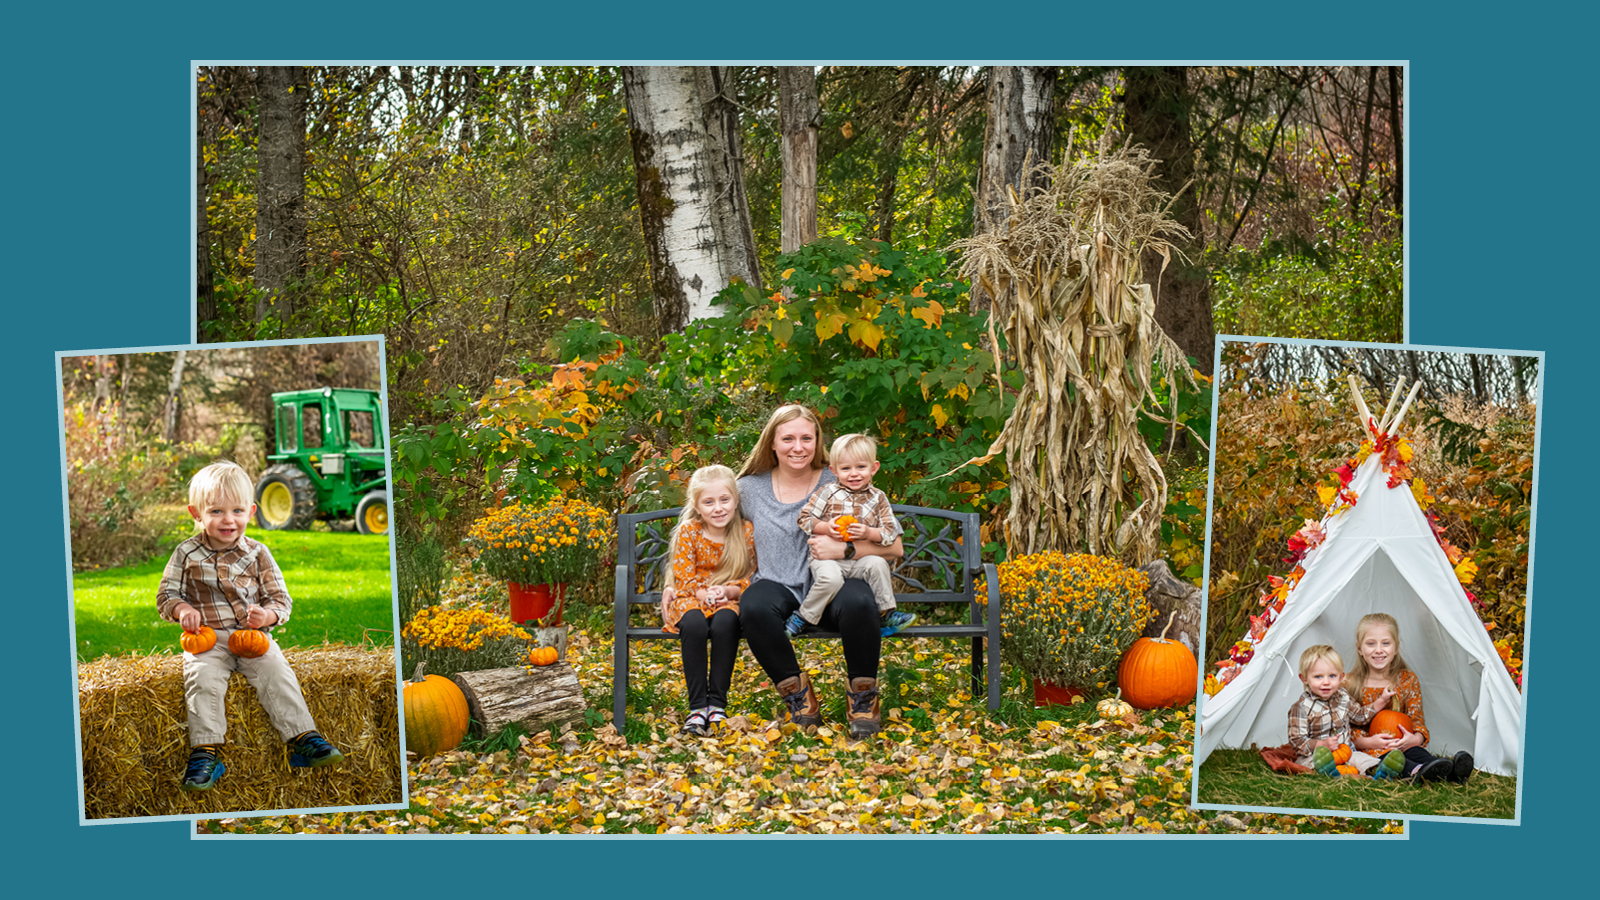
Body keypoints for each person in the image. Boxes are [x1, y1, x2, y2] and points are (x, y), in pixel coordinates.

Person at [156, 462, 343, 791]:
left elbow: (280, 599)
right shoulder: (185, 553)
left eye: (237, 510)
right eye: (216, 511)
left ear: (251, 511)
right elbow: (166, 595)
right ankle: (206, 752)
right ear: (196, 513)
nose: (228, 520)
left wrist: (267, 617)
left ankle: (303, 737)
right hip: (207, 640)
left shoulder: (258, 553)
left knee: (275, 668)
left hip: (252, 637)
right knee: (202, 679)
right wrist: (182, 609)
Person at [661, 465, 756, 736]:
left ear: (736, 501)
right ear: (697, 506)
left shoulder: (745, 532)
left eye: (725, 500)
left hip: (727, 598)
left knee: (727, 621)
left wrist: (729, 591)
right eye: (709, 502)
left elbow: (751, 576)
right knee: (694, 624)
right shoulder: (690, 531)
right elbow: (683, 576)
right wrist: (704, 594)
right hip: (689, 597)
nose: (718, 508)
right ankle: (697, 707)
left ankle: (717, 704)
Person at [790, 433, 914, 639]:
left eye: (861, 467)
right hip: (829, 559)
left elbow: (890, 532)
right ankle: (803, 616)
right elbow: (804, 517)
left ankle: (887, 614)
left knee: (878, 564)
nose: (853, 474)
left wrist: (868, 532)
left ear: (874, 468)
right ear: (834, 471)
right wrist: (824, 527)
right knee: (830, 579)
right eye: (846, 468)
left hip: (861, 561)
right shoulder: (827, 492)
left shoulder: (878, 498)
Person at [1347, 613, 1474, 783]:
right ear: (1360, 649)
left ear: (1396, 647)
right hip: (1371, 751)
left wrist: (1415, 738)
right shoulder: (1350, 683)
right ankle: (1418, 772)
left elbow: (1417, 721)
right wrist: (1369, 742)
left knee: (1418, 753)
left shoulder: (1407, 680)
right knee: (1395, 761)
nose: (1378, 650)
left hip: (1403, 744)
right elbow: (1346, 727)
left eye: (1386, 643)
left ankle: (1450, 770)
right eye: (1371, 644)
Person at [1287, 644, 1406, 779]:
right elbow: (1297, 740)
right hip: (1316, 756)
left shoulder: (1343, 698)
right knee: (1315, 765)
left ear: (1341, 677)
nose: (1326, 682)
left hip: (1346, 752)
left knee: (1363, 760)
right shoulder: (1301, 708)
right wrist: (1321, 744)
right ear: (1304, 678)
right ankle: (1341, 776)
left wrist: (1382, 700)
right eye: (1318, 677)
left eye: (1332, 676)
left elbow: (1360, 716)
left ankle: (1381, 771)